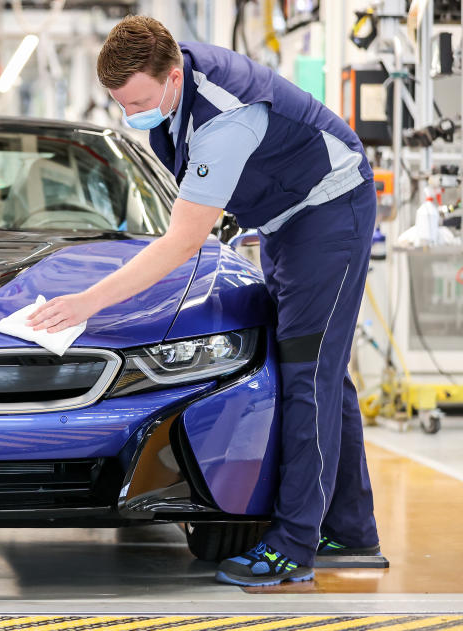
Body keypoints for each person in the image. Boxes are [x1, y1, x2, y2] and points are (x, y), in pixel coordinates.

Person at [26, 15, 381, 586]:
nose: (131, 114)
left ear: (171, 77)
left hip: (330, 212)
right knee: (323, 372)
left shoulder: (225, 118)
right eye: (120, 104)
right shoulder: (174, 84)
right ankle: (352, 528)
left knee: (305, 373)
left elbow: (182, 240)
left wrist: (86, 302)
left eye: (139, 100)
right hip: (286, 221)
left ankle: (294, 545)